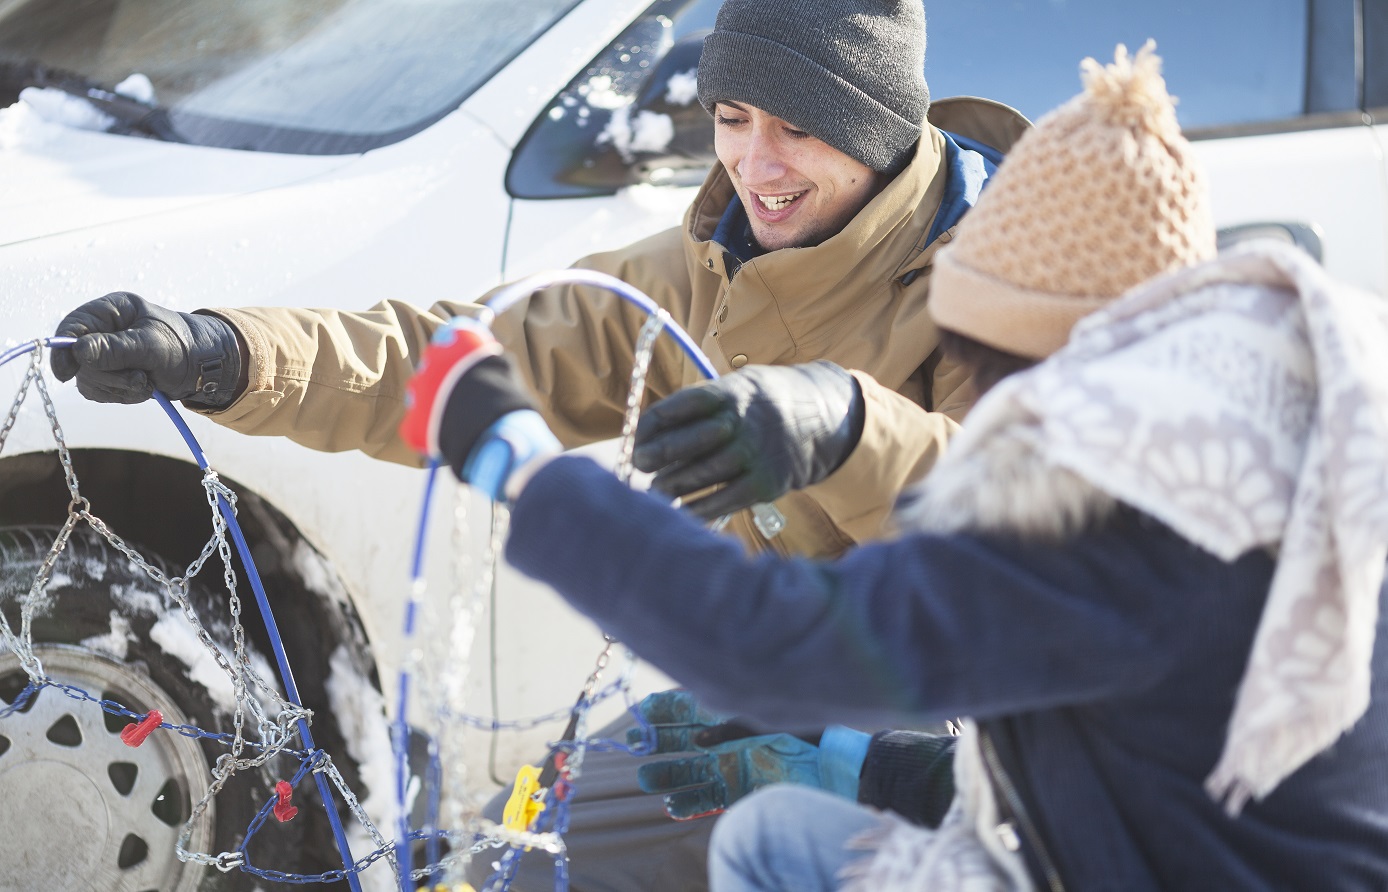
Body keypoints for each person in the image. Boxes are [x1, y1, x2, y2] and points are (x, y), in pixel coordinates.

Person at [50, 1, 1029, 888]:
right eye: (733, 118)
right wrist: (224, 354)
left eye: (798, 129)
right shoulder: (703, 267)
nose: (755, 164)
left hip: (981, 741)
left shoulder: (1008, 277)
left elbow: (1031, 544)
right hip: (763, 686)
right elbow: (450, 357)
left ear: (874, 128)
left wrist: (849, 425)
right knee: (523, 861)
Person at [400, 43, 1388, 891]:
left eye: (981, 366)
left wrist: (516, 461)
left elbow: (760, 642)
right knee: (774, 836)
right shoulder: (1276, 434)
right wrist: (863, 765)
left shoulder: (1113, 509)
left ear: (1043, 360)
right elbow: (1139, 778)